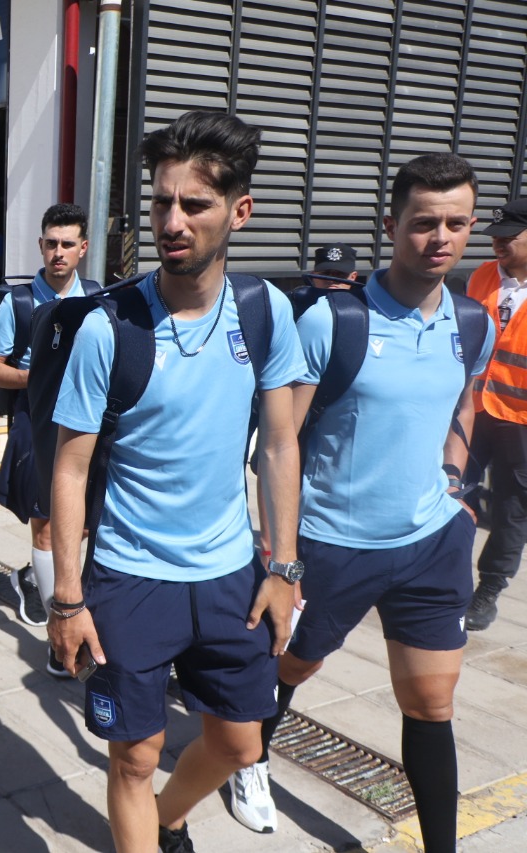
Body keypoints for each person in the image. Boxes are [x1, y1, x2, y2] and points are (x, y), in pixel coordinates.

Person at [47, 111, 305, 853]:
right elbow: (69, 466)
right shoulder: (109, 327)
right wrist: (67, 598)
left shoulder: (263, 311)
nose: (172, 222)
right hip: (130, 576)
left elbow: (279, 444)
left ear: (239, 211)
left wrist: (284, 568)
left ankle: (164, 820)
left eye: (194, 204)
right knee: (134, 757)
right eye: (161, 202)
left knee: (239, 743)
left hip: (229, 573)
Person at [229, 153, 494, 852]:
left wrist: (453, 480)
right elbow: (280, 442)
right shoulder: (334, 321)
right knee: (291, 667)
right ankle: (248, 759)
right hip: (333, 545)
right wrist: (280, 555)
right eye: (424, 222)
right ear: (391, 225)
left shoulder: (472, 321)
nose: (440, 238)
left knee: (432, 702)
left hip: (431, 544)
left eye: (457, 223)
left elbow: (465, 401)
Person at [0, 202, 91, 675]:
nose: (58, 252)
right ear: (40, 246)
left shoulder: (98, 299)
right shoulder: (19, 303)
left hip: (87, 425)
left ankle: (33, 576)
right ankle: (58, 636)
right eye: (51, 243)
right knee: (46, 527)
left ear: (83, 248)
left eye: (67, 244)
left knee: (81, 526)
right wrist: (40, 378)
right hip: (36, 422)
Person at [465, 197, 527, 631]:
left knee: (512, 506)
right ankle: (442, 569)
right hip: (473, 406)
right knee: (455, 488)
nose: (498, 244)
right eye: (495, 236)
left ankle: (489, 587)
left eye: (509, 237)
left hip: (520, 420)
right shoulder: (482, 276)